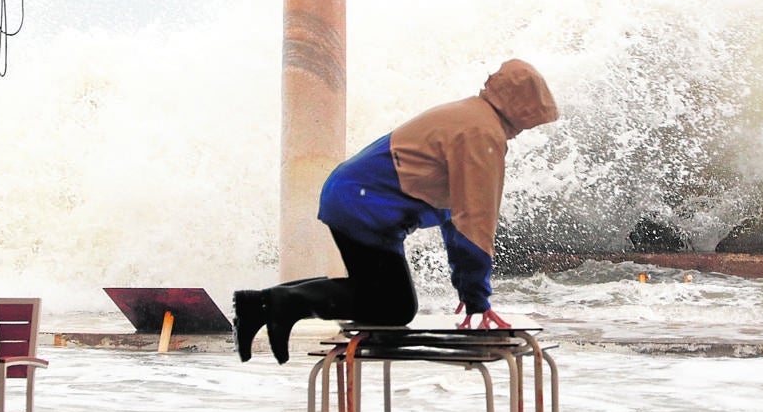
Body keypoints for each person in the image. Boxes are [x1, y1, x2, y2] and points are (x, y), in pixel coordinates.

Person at [233, 59, 559, 364]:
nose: (528, 128)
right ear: (520, 107)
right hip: (363, 204)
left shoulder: (472, 116)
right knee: (392, 307)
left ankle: (266, 305)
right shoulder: (482, 133)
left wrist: (469, 288)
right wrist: (477, 299)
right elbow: (474, 220)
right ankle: (273, 305)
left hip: (356, 197)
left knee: (377, 296)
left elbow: (455, 213)